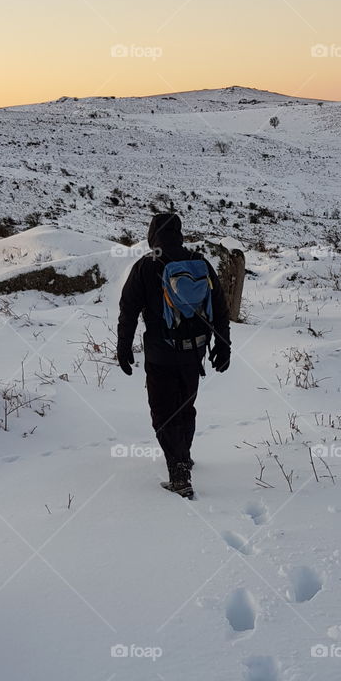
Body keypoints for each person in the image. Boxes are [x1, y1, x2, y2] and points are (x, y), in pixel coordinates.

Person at [116, 212, 231, 498]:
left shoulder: (145, 266)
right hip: (195, 352)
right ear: (179, 233)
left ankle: (179, 474)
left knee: (163, 414)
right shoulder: (199, 262)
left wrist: (123, 346)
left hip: (160, 354)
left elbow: (128, 311)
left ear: (152, 235)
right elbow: (220, 306)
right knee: (185, 406)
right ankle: (184, 454)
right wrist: (223, 344)